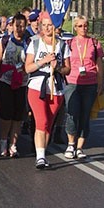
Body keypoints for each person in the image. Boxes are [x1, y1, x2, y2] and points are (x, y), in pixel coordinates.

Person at [25, 11, 71, 169]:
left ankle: (42, 152)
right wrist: (43, 61)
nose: (46, 28)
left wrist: (57, 67)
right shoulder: (35, 43)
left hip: (55, 88)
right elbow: (28, 67)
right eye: (44, 25)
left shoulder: (62, 44)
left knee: (48, 124)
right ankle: (40, 157)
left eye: (49, 25)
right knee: (42, 120)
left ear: (55, 26)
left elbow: (68, 70)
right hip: (37, 86)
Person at [63, 15, 104, 160]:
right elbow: (64, 62)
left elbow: (99, 65)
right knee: (72, 113)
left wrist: (101, 83)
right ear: (75, 27)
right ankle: (70, 144)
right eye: (80, 26)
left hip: (90, 83)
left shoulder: (94, 43)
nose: (83, 28)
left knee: (85, 115)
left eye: (86, 25)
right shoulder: (69, 43)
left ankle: (80, 147)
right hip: (72, 82)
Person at [0, 13, 29, 157]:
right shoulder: (4, 41)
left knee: (18, 114)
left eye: (22, 26)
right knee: (6, 113)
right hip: (5, 81)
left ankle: (13, 144)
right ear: (11, 26)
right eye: (17, 25)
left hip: (22, 82)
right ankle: (3, 141)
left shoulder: (29, 42)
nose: (19, 29)